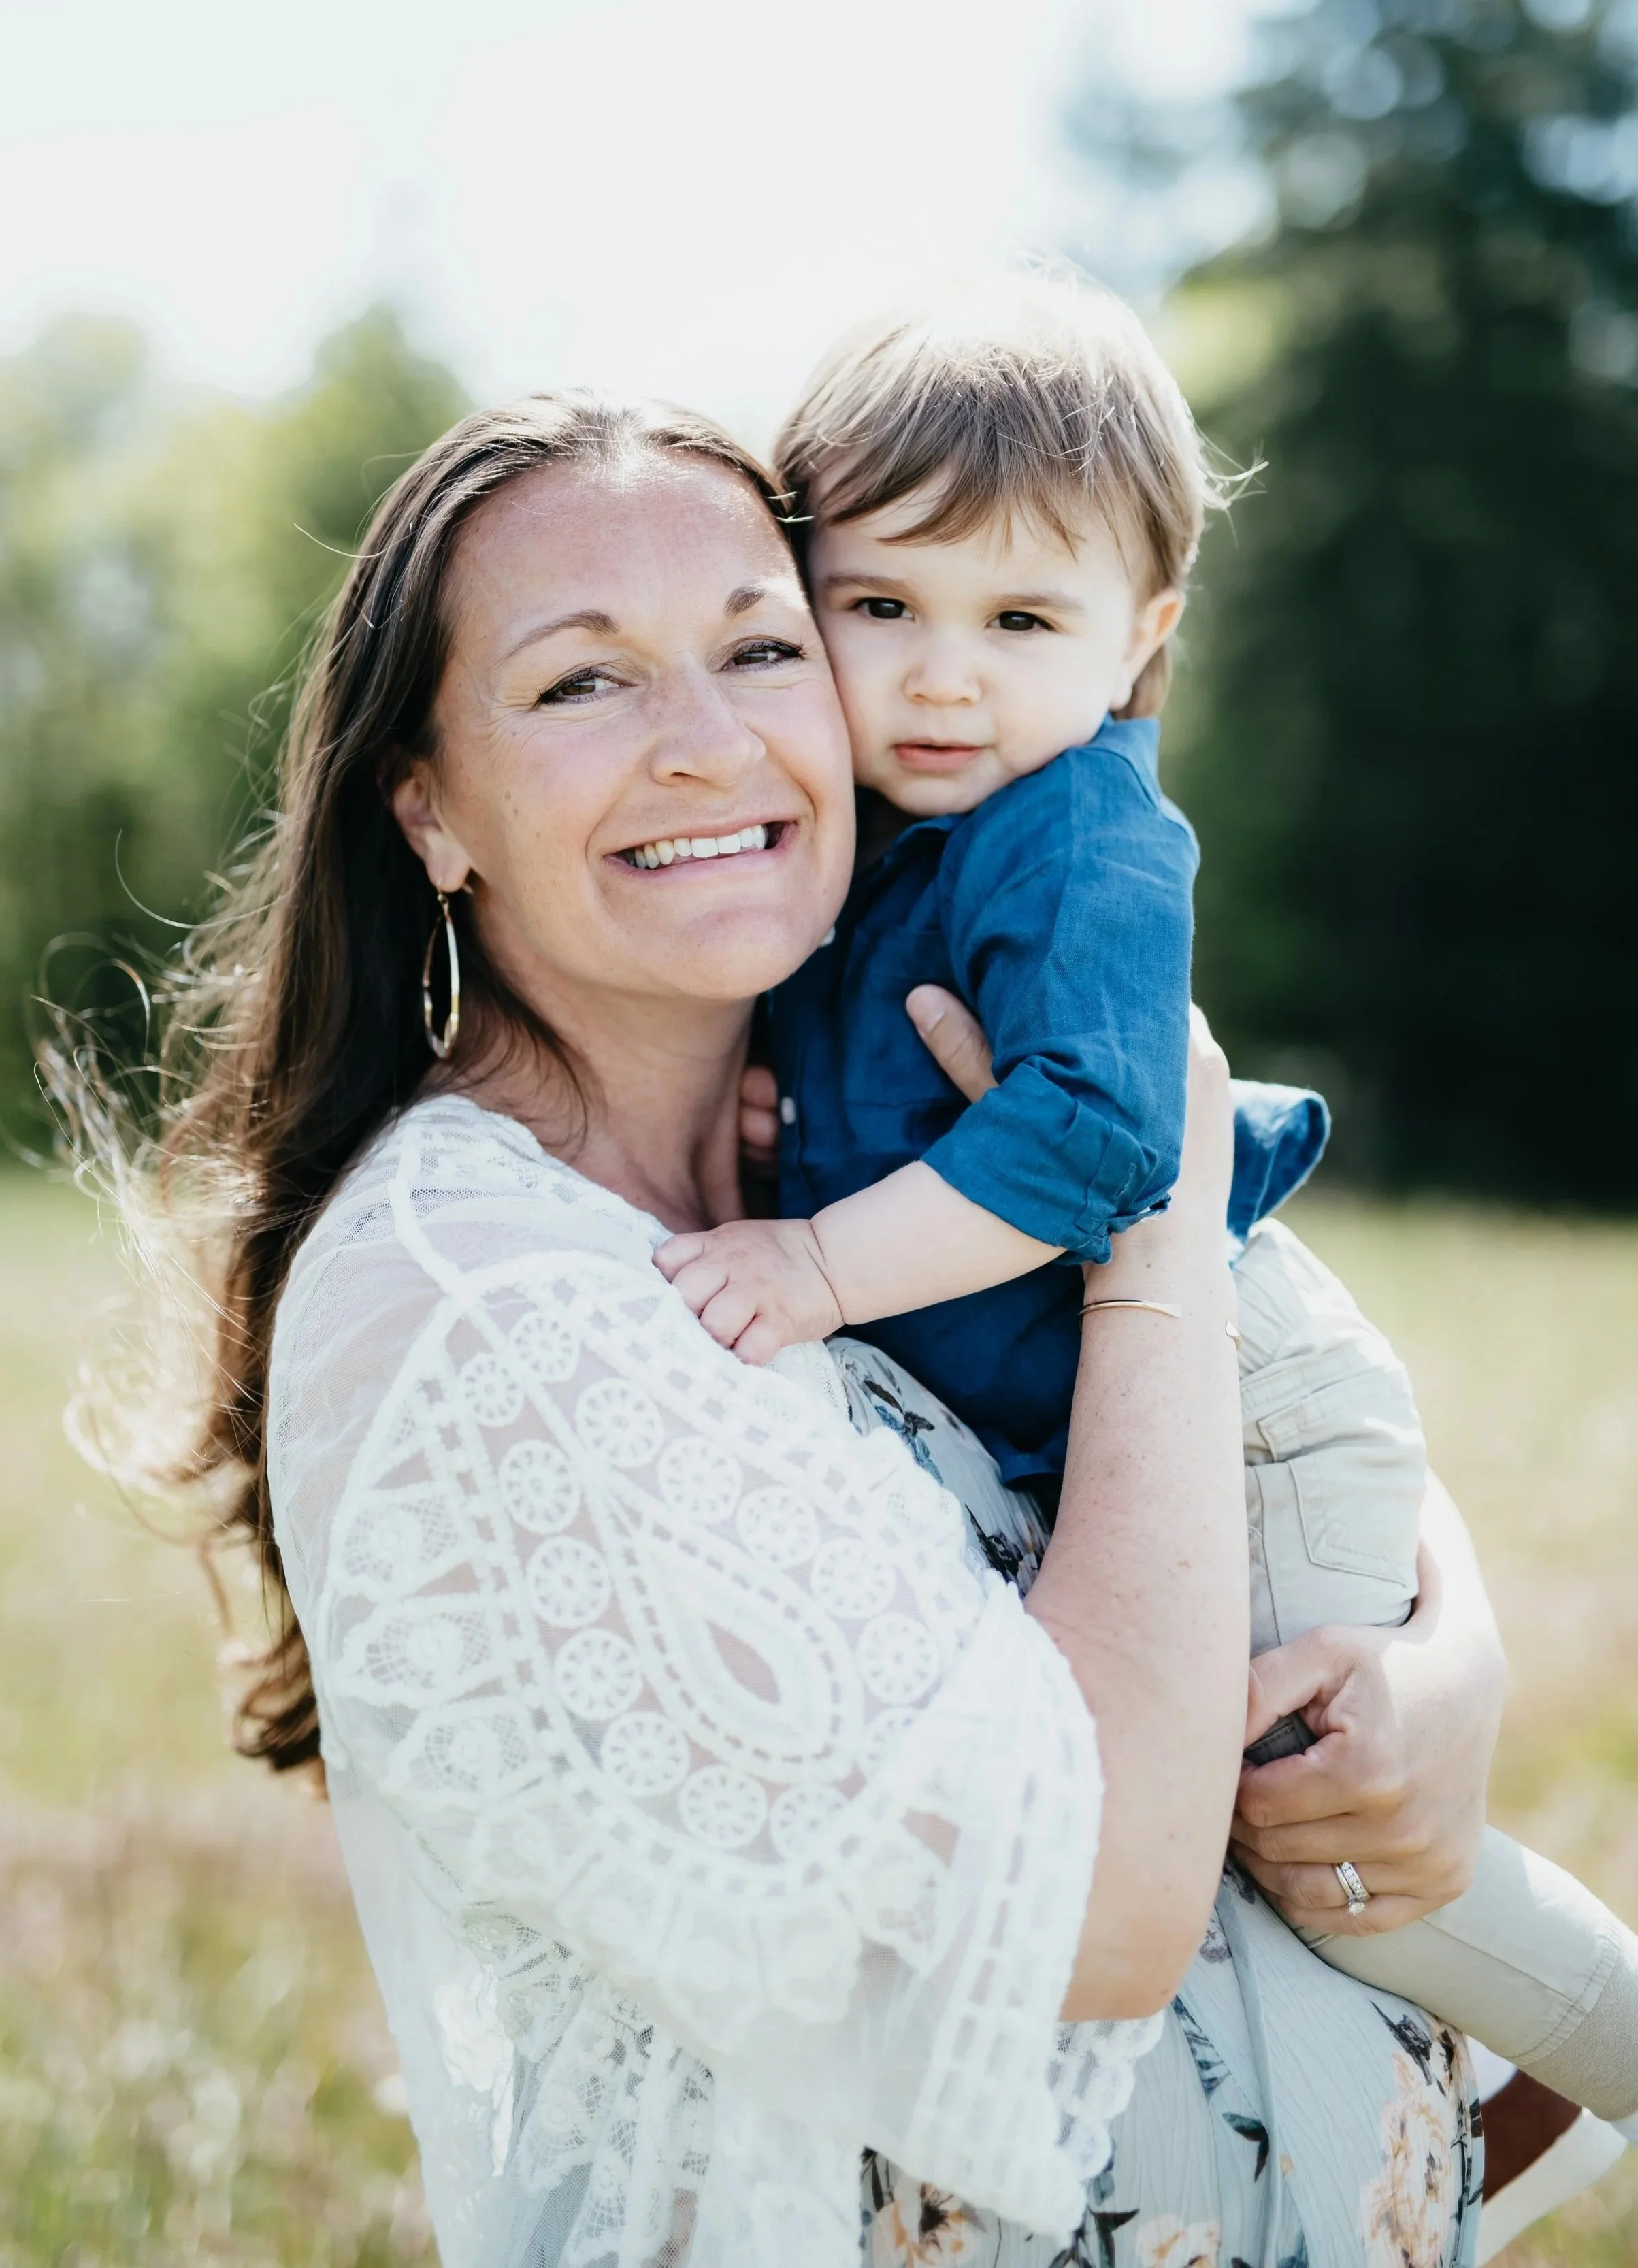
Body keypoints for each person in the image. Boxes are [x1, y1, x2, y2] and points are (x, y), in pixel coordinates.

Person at [63, 393, 1505, 2266]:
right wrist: (1145, 1208)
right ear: (425, 807)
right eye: (583, 684)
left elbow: (1250, 1427)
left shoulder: (863, 1132)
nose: (708, 739)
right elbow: (1090, 1910)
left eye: (761, 645)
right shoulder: (488, 1292)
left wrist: (1443, 1663)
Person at [652, 278, 1638, 2137]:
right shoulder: (882, 836)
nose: (943, 674)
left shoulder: (1077, 830)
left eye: (1019, 616)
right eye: (880, 605)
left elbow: (1103, 1142)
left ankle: (1571, 2069)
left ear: (1141, 637)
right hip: (1135, 1379)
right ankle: (1481, 2132)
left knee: (1326, 1836)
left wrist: (812, 1252)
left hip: (1241, 1389)